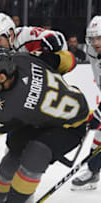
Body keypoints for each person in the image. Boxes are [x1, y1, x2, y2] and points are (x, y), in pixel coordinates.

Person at [0, 47, 89, 203]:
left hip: (71, 126)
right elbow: (68, 61)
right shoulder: (22, 59)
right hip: (49, 115)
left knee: (35, 154)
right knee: (13, 153)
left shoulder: (9, 104)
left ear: (2, 77)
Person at [0, 12, 75, 75]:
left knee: (66, 58)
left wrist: (43, 56)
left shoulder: (27, 36)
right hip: (22, 84)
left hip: (44, 77)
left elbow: (58, 39)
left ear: (10, 34)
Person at [71, 16, 101, 191]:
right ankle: (92, 170)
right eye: (93, 38)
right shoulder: (91, 50)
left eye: (99, 38)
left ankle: (92, 170)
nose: (95, 42)